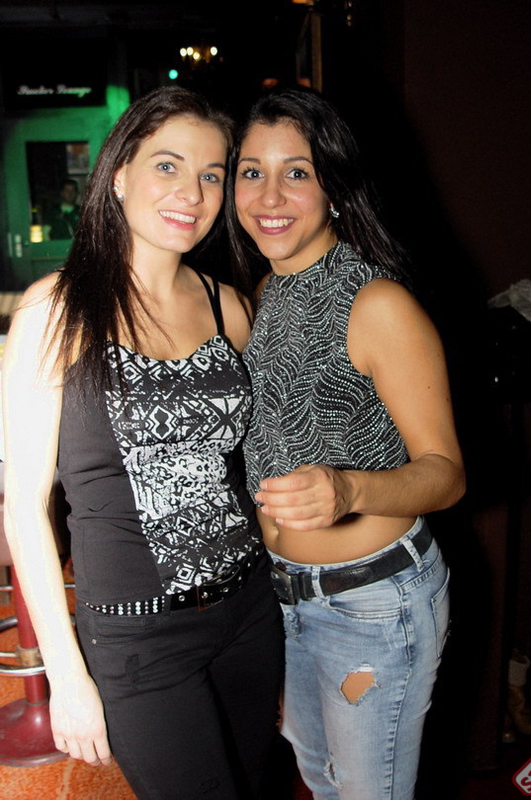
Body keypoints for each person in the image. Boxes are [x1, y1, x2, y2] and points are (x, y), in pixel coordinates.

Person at [2, 86, 283, 800]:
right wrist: (67, 677)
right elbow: (25, 508)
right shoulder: (56, 310)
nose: (192, 192)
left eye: (212, 174)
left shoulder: (228, 304)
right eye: (167, 165)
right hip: (136, 638)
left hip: (250, 611)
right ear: (120, 173)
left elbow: (245, 466)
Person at [226, 86, 466, 800]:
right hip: (288, 599)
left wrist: (349, 487)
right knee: (318, 778)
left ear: (333, 187)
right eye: (251, 171)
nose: (269, 195)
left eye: (296, 172)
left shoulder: (377, 304)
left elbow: (447, 474)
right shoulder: (265, 293)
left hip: (374, 605)